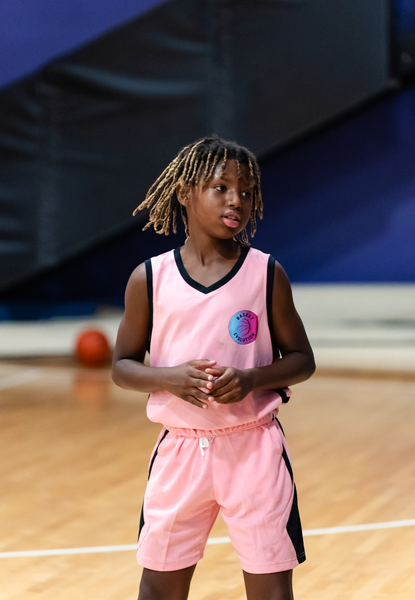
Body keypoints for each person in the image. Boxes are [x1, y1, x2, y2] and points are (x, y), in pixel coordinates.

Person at [112, 135, 315, 600]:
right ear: (185, 193)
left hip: (254, 449)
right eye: (221, 188)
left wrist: (251, 379)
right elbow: (122, 366)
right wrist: (169, 378)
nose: (236, 200)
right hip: (180, 451)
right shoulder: (150, 278)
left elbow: (302, 360)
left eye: (246, 191)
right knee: (159, 588)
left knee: (271, 590)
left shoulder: (266, 273)